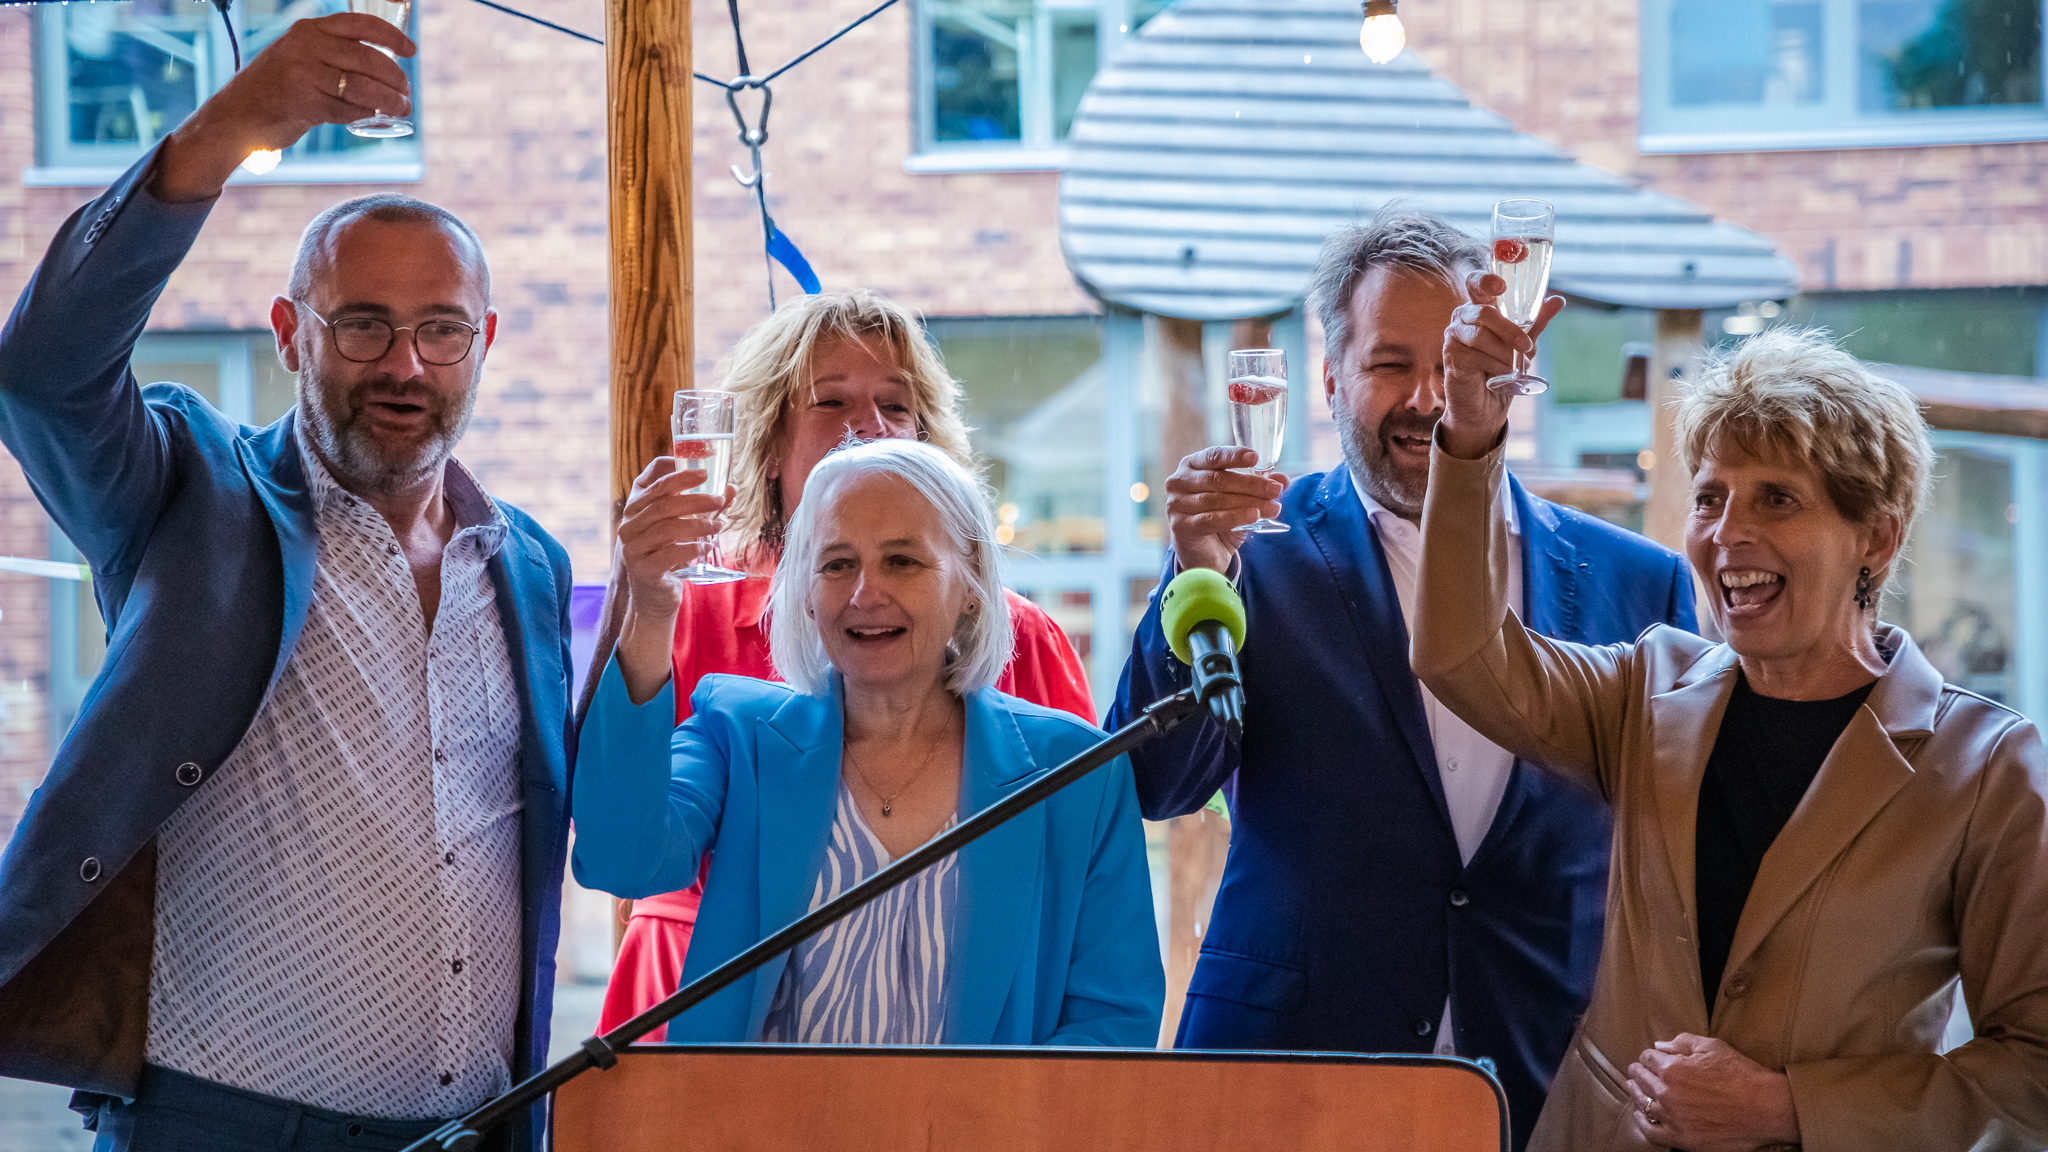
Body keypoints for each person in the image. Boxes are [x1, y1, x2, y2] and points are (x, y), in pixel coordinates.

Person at [0, 19, 574, 1152]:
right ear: (289, 334)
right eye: (361, 325)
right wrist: (215, 140)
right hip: (214, 1128)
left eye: (439, 331)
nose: (404, 364)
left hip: (473, 1129)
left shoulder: (528, 565)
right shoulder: (189, 495)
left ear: (484, 341)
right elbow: (44, 376)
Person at [1108, 207, 1696, 1149]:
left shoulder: (1641, 581)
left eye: (1451, 361)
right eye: (1390, 364)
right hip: (1290, 1078)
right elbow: (1155, 783)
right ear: (1332, 378)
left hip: (1546, 1080)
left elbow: (1682, 855)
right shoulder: (1256, 555)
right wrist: (1198, 576)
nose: (1425, 397)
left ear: (1501, 366)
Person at [1415, 316, 2048, 1152]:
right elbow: (1462, 654)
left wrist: (1789, 1109)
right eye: (1710, 497)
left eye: (1776, 498)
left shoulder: (1987, 766)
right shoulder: (1645, 688)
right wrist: (1468, 437)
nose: (1726, 533)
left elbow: (2034, 1069)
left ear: (1878, 537)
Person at [596, 290, 1094, 1038]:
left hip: (957, 1006)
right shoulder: (685, 613)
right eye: (831, 402)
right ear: (768, 445)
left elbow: (1075, 877)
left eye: (895, 404)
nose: (867, 425)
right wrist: (642, 597)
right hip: (705, 997)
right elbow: (617, 832)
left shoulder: (1022, 636)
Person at [573, 439, 1162, 1045]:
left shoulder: (1078, 775)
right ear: (804, 588)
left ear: (972, 584)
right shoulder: (736, 734)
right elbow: (622, 856)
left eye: (902, 561)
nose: (864, 594)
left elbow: (1113, 1025)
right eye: (836, 564)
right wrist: (650, 603)